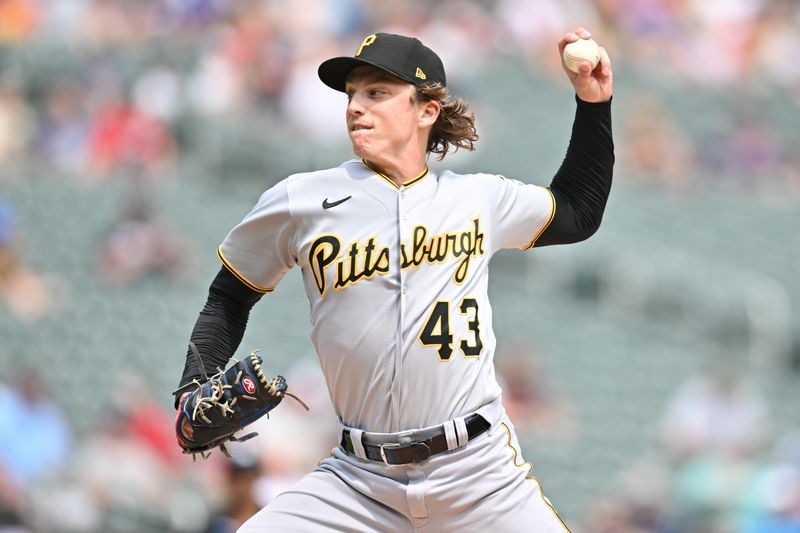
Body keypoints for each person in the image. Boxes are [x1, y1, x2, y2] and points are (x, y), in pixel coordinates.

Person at [175, 28, 613, 532]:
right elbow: (230, 296)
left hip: (480, 475)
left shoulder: (478, 199)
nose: (355, 106)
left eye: (377, 93)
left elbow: (578, 212)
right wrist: (193, 381)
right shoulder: (303, 199)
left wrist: (593, 102)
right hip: (358, 483)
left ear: (426, 110)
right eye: (353, 93)